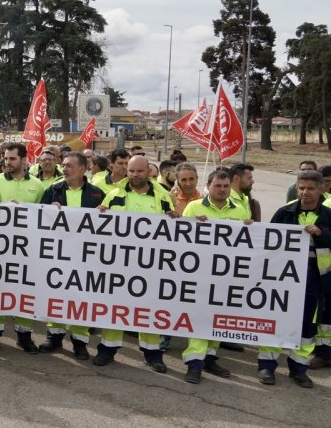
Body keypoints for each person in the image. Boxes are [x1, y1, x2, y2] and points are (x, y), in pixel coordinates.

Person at [95, 155, 177, 370]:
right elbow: (99, 229)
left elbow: (174, 228)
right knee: (114, 308)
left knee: (148, 308)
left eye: (139, 171)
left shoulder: (163, 197)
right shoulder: (113, 195)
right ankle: (107, 349)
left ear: (149, 171)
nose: (135, 175)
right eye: (131, 171)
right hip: (118, 265)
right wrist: (99, 215)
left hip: (151, 266)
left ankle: (153, 354)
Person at [257, 170, 330, 388]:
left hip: (315, 280)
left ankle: (299, 369)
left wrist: (322, 235)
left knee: (307, 324)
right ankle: (266, 367)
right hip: (282, 279)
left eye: (310, 188)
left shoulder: (328, 216)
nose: (305, 192)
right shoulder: (284, 213)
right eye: (301, 188)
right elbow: (267, 242)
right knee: (274, 320)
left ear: (321, 189)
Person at [178, 169, 250, 383]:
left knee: (217, 318)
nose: (222, 190)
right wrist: (193, 225)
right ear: (208, 187)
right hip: (198, 274)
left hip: (225, 276)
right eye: (217, 186)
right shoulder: (194, 207)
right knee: (199, 317)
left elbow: (247, 244)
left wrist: (250, 228)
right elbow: (179, 240)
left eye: (226, 186)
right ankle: (194, 364)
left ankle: (210, 357)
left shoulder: (240, 210)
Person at [37, 151, 104, 359]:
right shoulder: (53, 189)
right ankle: (54, 337)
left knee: (81, 298)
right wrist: (48, 209)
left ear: (83, 169)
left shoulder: (96, 193)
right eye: (63, 165)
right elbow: (39, 217)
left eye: (69, 166)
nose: (64, 168)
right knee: (56, 294)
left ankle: (80, 342)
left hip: (85, 256)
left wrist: (104, 213)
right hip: (58, 254)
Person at [0, 142, 44, 353]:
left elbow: (43, 218)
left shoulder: (38, 185)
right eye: (5, 158)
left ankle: (24, 336)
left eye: (12, 159)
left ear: (24, 160)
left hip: (28, 249)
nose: (7, 162)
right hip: (0, 247)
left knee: (26, 291)